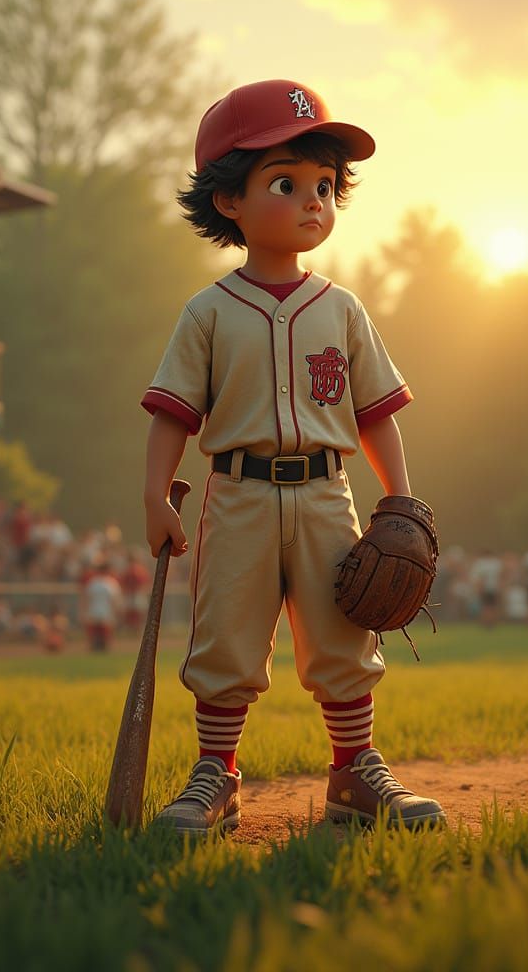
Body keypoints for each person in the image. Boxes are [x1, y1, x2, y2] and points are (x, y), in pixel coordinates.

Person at [141, 80, 444, 835]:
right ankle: (217, 774)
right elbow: (173, 413)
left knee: (344, 638)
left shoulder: (341, 308)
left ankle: (355, 772)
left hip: (325, 495)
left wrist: (399, 502)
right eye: (287, 183)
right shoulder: (209, 313)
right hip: (237, 493)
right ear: (229, 201)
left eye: (325, 186)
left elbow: (375, 414)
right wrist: (155, 495)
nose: (313, 202)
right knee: (227, 642)